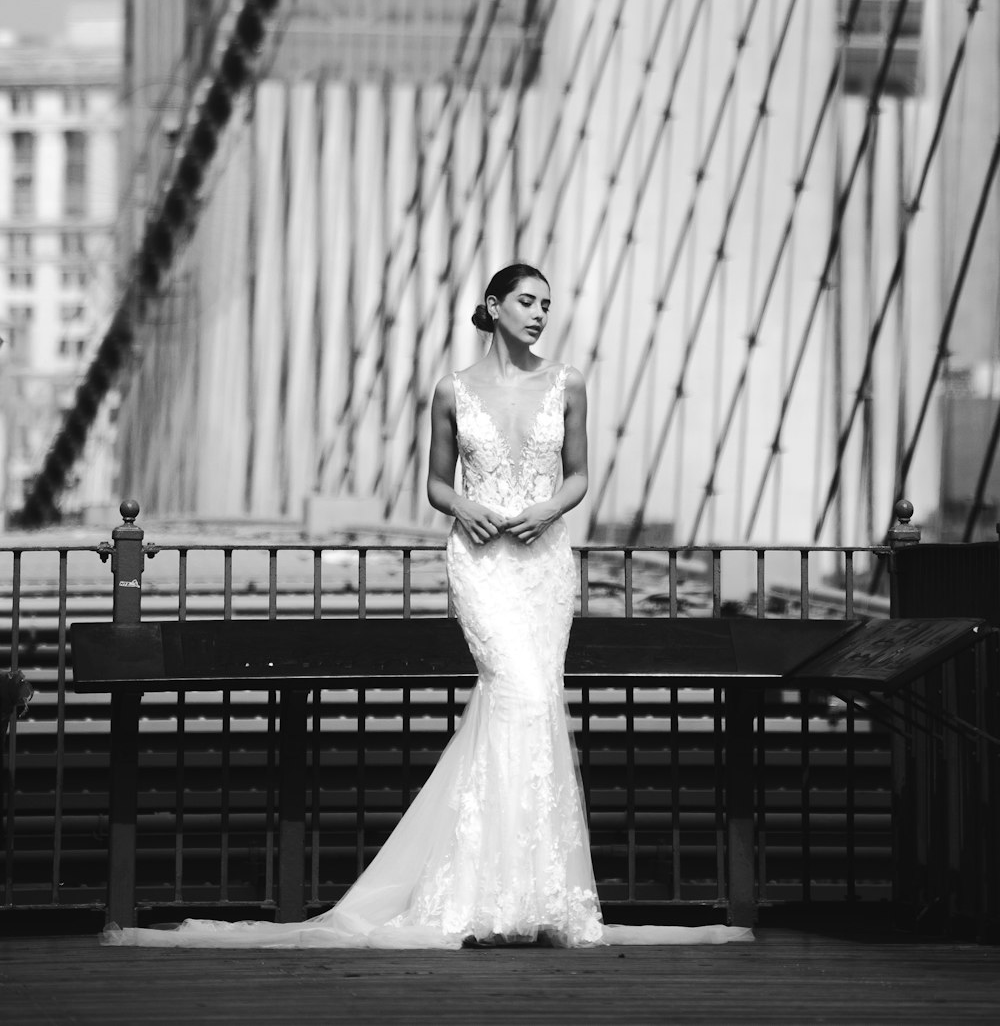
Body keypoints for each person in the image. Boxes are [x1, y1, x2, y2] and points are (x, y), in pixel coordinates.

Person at [105, 264, 751, 949]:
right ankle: (484, 890)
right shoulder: (452, 390)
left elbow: (582, 473)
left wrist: (549, 507)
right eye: (528, 302)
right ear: (494, 306)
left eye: (547, 305)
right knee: (519, 691)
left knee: (536, 703)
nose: (540, 314)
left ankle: (527, 890)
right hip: (479, 563)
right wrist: (467, 505)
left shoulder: (569, 383)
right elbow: (436, 483)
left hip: (544, 562)